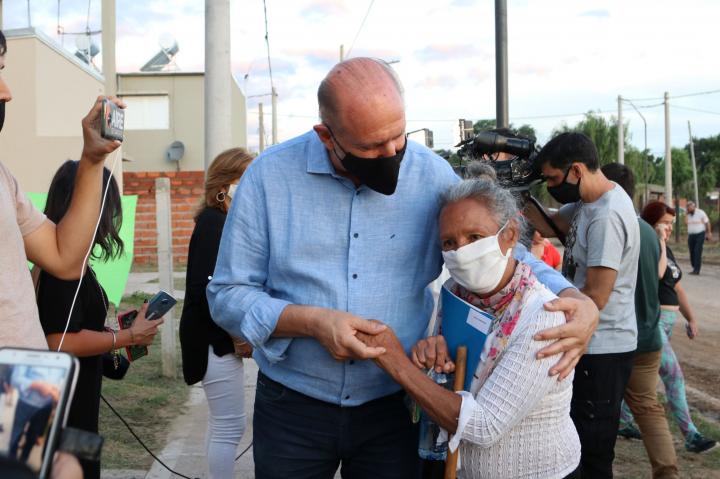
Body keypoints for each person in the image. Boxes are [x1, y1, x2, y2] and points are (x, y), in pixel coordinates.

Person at [208, 58, 599, 478]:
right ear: (326, 135)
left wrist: (574, 298)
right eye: (372, 148)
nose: (391, 155)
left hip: (393, 408)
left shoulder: (430, 175)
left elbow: (497, 243)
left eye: (398, 138)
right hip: (294, 406)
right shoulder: (269, 178)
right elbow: (227, 294)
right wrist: (311, 322)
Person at [358, 179, 581, 479]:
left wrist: (396, 363)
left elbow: (484, 426)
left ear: (510, 235)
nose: (461, 252)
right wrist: (430, 360)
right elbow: (448, 383)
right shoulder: (456, 294)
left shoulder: (543, 316)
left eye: (475, 237)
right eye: (449, 243)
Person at [35, 161, 162, 479]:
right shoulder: (65, 269)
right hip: (66, 409)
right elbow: (60, 341)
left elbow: (69, 328)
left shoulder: (63, 259)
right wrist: (127, 337)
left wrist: (116, 335)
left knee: (86, 467)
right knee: (80, 470)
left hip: (74, 401)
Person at [0, 29, 124, 349]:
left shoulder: (3, 178)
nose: (7, 93)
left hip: (25, 377)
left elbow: (65, 259)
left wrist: (92, 159)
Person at [528, 132, 640, 478]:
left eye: (553, 179)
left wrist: (545, 305)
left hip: (602, 350)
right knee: (576, 444)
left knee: (591, 453)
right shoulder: (587, 204)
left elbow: (596, 297)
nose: (551, 187)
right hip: (589, 344)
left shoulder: (606, 215)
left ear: (576, 171)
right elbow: (547, 223)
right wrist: (515, 191)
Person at [617, 201, 717, 454]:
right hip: (653, 322)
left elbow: (677, 287)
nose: (669, 228)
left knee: (640, 375)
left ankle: (623, 421)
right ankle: (690, 435)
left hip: (667, 322)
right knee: (673, 376)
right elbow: (658, 274)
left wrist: (691, 318)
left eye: (671, 224)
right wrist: (660, 241)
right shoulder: (646, 247)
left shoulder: (666, 249)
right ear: (651, 223)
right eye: (665, 223)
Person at [179, 147, 253, 479]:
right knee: (230, 426)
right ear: (225, 185)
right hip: (212, 339)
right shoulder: (215, 222)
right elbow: (208, 289)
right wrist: (236, 335)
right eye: (246, 179)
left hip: (212, 337)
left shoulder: (219, 222)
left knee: (222, 423)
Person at [602, 163, 679, 478]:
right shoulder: (647, 231)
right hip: (649, 336)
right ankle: (667, 471)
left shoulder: (611, 225)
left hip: (616, 339)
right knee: (649, 409)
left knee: (601, 411)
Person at [685, 201, 712, 275]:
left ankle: (696, 270)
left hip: (700, 234)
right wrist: (686, 215)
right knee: (692, 252)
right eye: (687, 207)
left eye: (690, 207)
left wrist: (709, 233)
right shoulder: (688, 214)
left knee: (697, 251)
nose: (688, 209)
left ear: (694, 207)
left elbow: (707, 222)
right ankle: (694, 267)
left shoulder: (701, 212)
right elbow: (686, 223)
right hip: (691, 235)